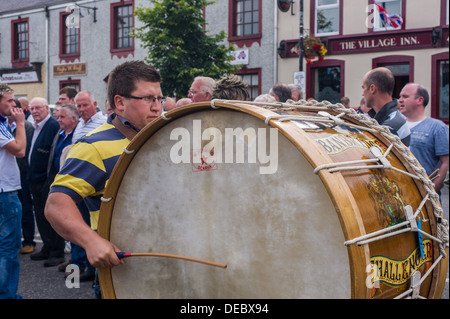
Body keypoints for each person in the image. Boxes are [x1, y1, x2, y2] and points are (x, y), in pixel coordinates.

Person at [45, 61, 163, 275]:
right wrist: (91, 241)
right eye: (148, 98)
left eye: (159, 98)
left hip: (165, 264)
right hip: (123, 272)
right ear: (119, 102)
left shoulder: (162, 137)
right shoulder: (92, 146)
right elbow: (56, 205)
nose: (157, 106)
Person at [27, 97, 63, 267]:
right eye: (32, 108)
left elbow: (53, 155)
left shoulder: (52, 126)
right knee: (41, 217)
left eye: (38, 108)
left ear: (46, 109)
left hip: (46, 180)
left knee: (52, 217)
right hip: (34, 179)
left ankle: (57, 252)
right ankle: (47, 248)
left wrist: (48, 180)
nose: (34, 112)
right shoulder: (35, 127)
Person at [0, 83, 26, 299]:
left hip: (4, 189)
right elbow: (19, 149)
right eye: (9, 100)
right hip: (4, 191)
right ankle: (7, 295)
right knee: (9, 247)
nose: (13, 104)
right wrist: (20, 124)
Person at [398, 83, 449, 193]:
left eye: (405, 96)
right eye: (400, 96)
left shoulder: (437, 127)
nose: (400, 100)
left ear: (420, 100)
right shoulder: (396, 125)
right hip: (399, 196)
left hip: (426, 200)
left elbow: (446, 163)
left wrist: (430, 192)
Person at [8, 100, 35, 254]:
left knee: (25, 208)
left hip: (22, 173)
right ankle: (14, 240)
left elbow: (25, 150)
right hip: (9, 174)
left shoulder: (26, 126)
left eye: (13, 109)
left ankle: (29, 240)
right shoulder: (4, 126)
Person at [361, 67, 410, 146]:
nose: (362, 94)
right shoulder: (395, 118)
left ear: (372, 88)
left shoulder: (390, 126)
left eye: (363, 88)